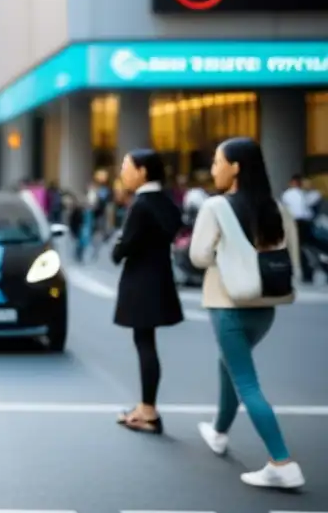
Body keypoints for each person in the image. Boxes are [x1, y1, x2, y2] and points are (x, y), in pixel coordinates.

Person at [189, 137, 304, 489]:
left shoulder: (215, 207)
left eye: (217, 161)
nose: (213, 169)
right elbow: (289, 254)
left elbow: (198, 257)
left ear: (235, 167)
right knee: (230, 366)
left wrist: (224, 254)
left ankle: (281, 461)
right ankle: (219, 432)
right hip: (265, 307)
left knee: (247, 382)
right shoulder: (275, 207)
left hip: (230, 306)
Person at [111, 149, 184, 434]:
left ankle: (148, 411)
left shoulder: (141, 204)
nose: (122, 172)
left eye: (126, 166)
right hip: (160, 278)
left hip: (140, 282)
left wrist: (117, 250)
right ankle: (145, 407)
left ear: (142, 172)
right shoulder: (165, 201)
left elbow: (125, 245)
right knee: (146, 342)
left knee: (144, 344)